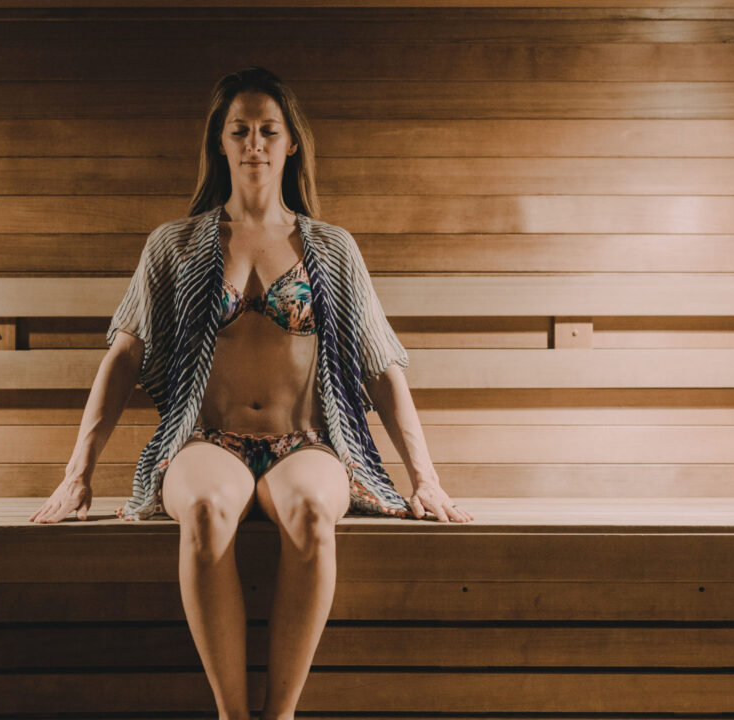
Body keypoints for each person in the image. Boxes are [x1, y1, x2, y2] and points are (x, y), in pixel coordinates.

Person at [29, 66, 472, 719]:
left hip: (306, 445)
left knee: (314, 515)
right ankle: (232, 715)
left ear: (292, 143)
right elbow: (124, 358)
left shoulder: (333, 249)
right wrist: (77, 476)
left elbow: (382, 370)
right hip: (208, 442)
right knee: (206, 510)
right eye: (240, 130)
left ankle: (281, 715)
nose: (254, 144)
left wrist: (426, 480)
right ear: (220, 141)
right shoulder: (175, 245)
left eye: (268, 130)